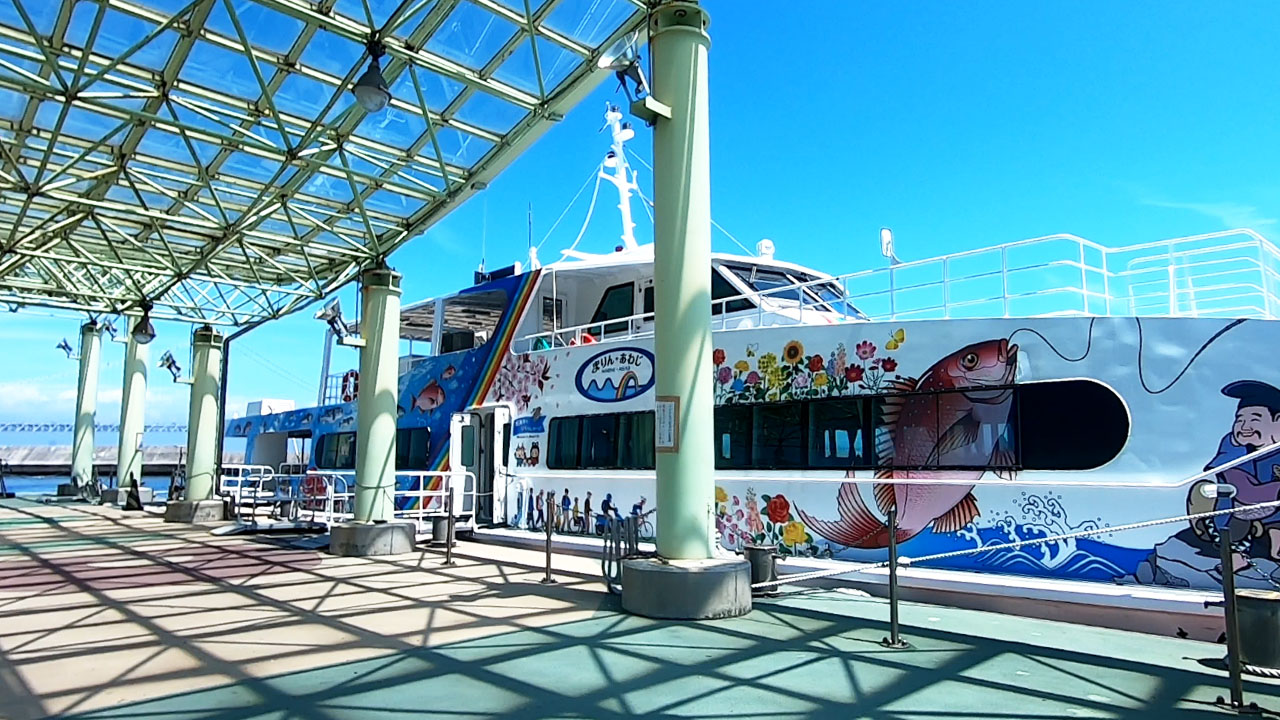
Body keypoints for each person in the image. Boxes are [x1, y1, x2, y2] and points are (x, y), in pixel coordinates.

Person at [1190, 380, 1280, 571]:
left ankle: (1275, 540)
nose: (1244, 426)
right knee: (1226, 498)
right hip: (1239, 512)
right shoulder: (1233, 447)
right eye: (1240, 419)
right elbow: (1245, 491)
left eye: (1255, 419)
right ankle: (1235, 554)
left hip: (1271, 512)